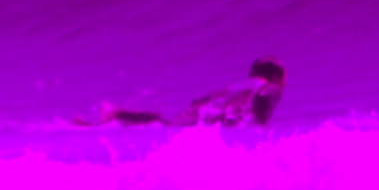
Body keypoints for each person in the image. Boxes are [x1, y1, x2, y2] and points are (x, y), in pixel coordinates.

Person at [78, 60, 286, 128]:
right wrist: (261, 124)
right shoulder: (268, 86)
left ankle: (115, 115)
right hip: (210, 114)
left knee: (163, 123)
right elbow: (263, 95)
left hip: (204, 109)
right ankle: (114, 114)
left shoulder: (246, 83)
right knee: (163, 124)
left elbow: (215, 96)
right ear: (276, 76)